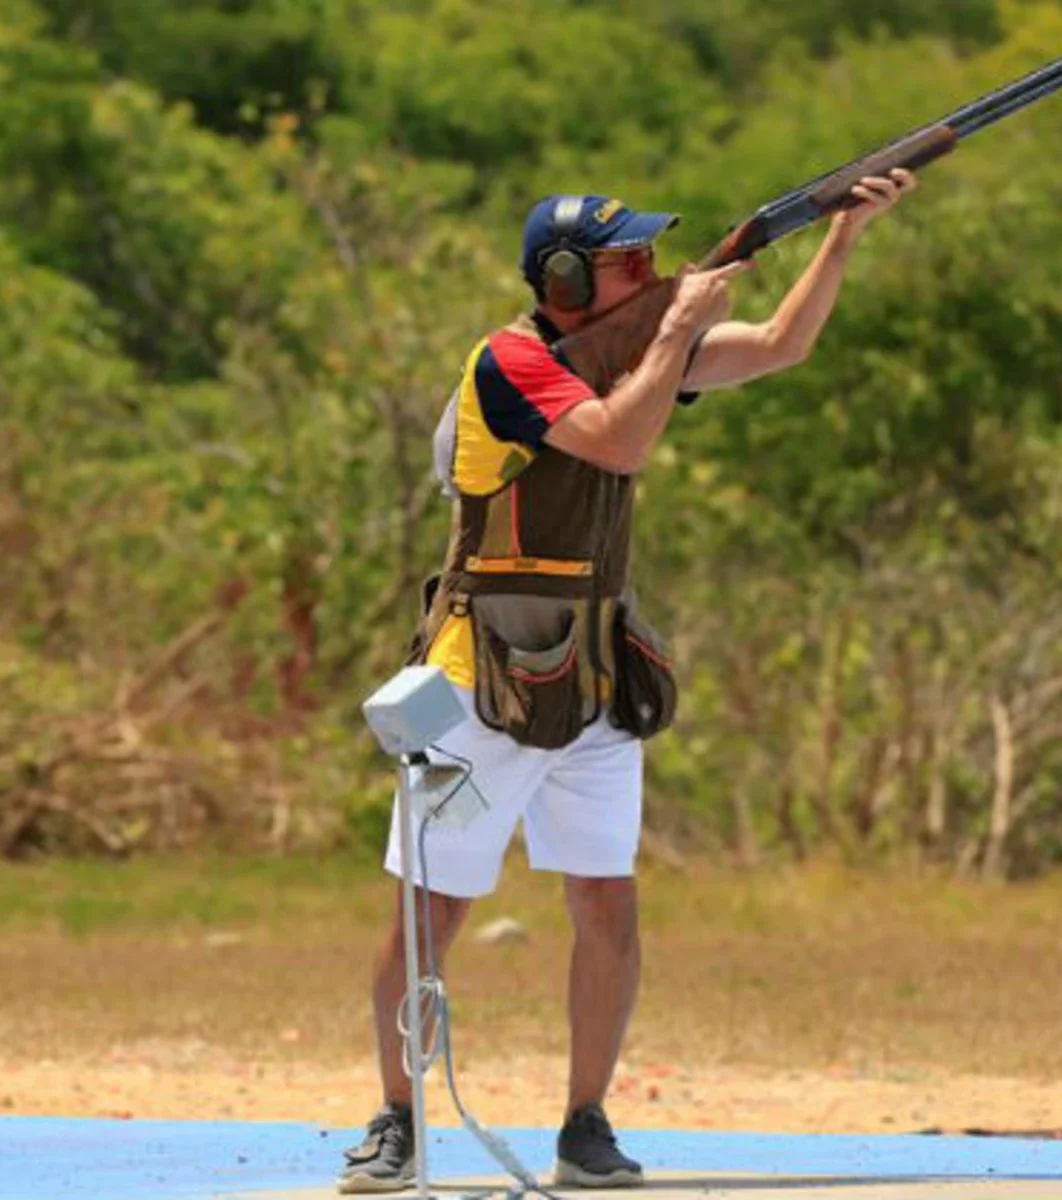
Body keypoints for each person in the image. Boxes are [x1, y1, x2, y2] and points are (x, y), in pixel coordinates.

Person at [339, 169, 917, 1195]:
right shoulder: (509, 363)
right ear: (564, 281)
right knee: (430, 912)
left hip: (595, 674)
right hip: (483, 679)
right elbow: (620, 437)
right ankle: (395, 1118)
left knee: (608, 904)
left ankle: (585, 1123)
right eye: (627, 265)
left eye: (655, 261)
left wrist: (841, 238)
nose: (653, 274)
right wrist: (680, 323)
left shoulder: (631, 353)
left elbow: (782, 345)